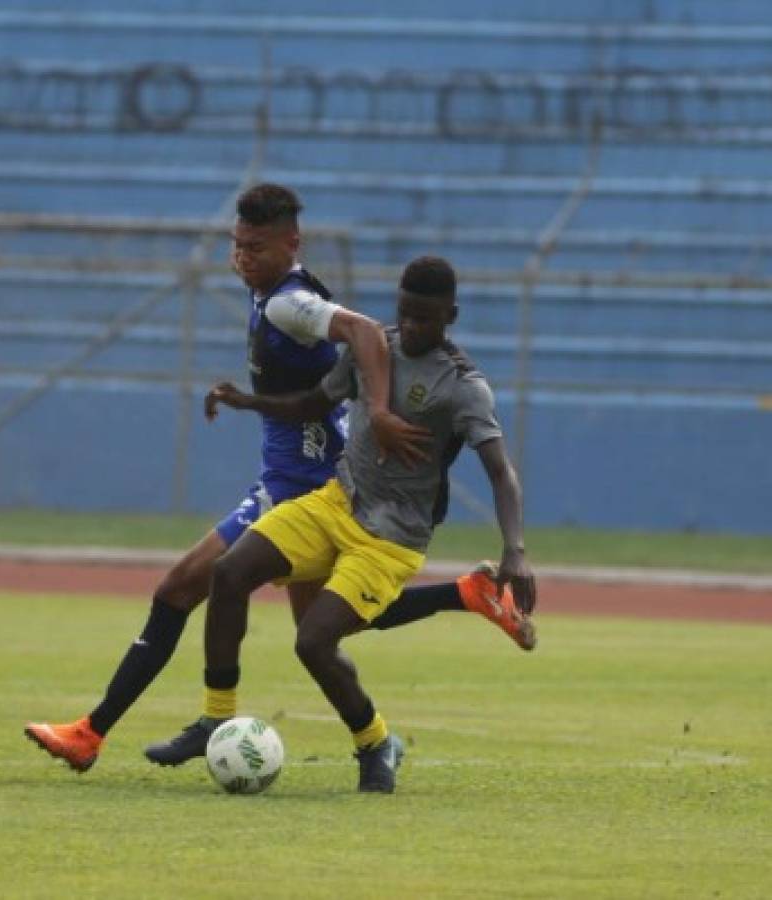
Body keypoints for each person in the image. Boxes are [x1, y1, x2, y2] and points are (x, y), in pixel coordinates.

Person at [24, 187, 534, 774]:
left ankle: (101, 730)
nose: (242, 257)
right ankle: (454, 611)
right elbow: (329, 381)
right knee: (329, 626)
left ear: (289, 243)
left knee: (184, 589)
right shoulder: (278, 294)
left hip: (304, 481)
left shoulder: (287, 304)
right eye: (237, 246)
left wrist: (381, 409)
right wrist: (248, 401)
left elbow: (365, 332)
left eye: (255, 247)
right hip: (317, 482)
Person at [149, 255, 537, 793]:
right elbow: (316, 401)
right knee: (230, 573)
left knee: (313, 642)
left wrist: (515, 549)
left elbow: (501, 471)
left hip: (391, 539)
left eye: (427, 318)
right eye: (407, 313)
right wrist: (248, 401)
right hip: (336, 501)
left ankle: (376, 742)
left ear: (451, 314)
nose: (415, 327)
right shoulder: (374, 348)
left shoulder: (463, 385)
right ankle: (216, 718)